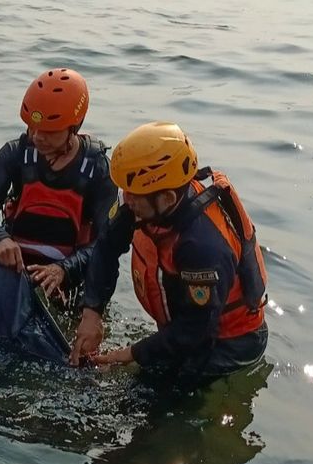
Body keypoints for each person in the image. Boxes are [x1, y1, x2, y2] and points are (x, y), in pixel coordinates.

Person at [70, 121, 269, 379]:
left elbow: (195, 329)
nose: (126, 201)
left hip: (227, 345)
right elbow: (106, 247)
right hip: (186, 327)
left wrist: (131, 353)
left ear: (167, 199)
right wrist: (92, 313)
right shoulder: (146, 200)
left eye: (134, 196)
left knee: (151, 399)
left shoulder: (202, 246)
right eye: (125, 192)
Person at [0, 68, 116, 299]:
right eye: (32, 127)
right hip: (14, 266)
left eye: (49, 131)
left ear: (73, 127)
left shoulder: (98, 170)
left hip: (68, 277)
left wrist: (64, 270)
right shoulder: (15, 153)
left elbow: (106, 244)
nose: (37, 137)